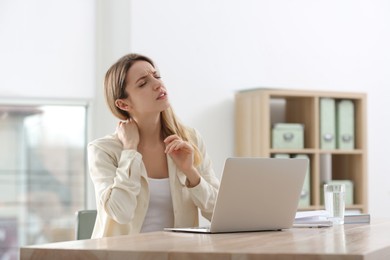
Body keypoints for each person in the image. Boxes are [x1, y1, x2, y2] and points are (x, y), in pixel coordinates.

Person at [88, 53, 220, 238]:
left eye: (156, 76)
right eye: (143, 83)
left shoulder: (190, 139)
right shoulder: (103, 150)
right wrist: (129, 151)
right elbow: (121, 213)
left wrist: (190, 172)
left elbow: (217, 213)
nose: (158, 84)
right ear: (123, 104)